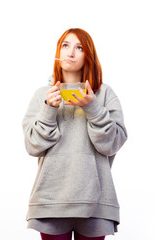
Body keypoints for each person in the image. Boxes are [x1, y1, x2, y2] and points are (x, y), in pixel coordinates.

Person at [22, 28, 128, 240]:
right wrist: (48, 108)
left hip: (95, 202)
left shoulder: (104, 93)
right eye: (65, 45)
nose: (71, 52)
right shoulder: (42, 95)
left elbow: (113, 143)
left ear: (88, 55)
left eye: (79, 47)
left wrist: (93, 108)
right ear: (58, 52)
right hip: (51, 201)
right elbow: (32, 145)